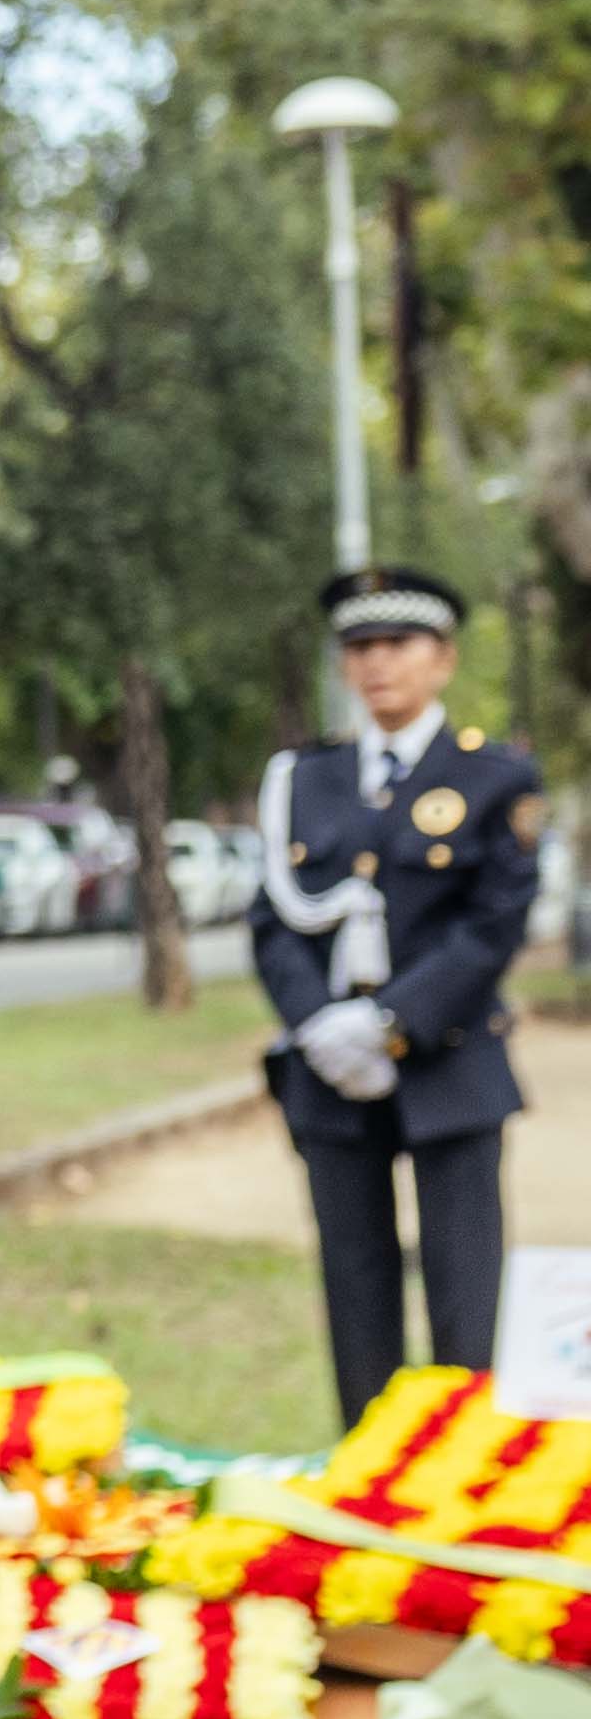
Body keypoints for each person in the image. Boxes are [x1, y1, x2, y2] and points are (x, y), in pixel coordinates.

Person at [253, 564, 545, 1432]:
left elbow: (493, 926)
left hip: (450, 1062)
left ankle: (459, 1478)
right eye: (359, 647)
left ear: (444, 660)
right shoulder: (304, 779)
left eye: (397, 644)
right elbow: (273, 924)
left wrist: (390, 1024)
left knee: (464, 1290)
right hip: (329, 1073)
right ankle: (368, 1472)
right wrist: (319, 1029)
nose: (377, 663)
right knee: (356, 1284)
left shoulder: (496, 776)